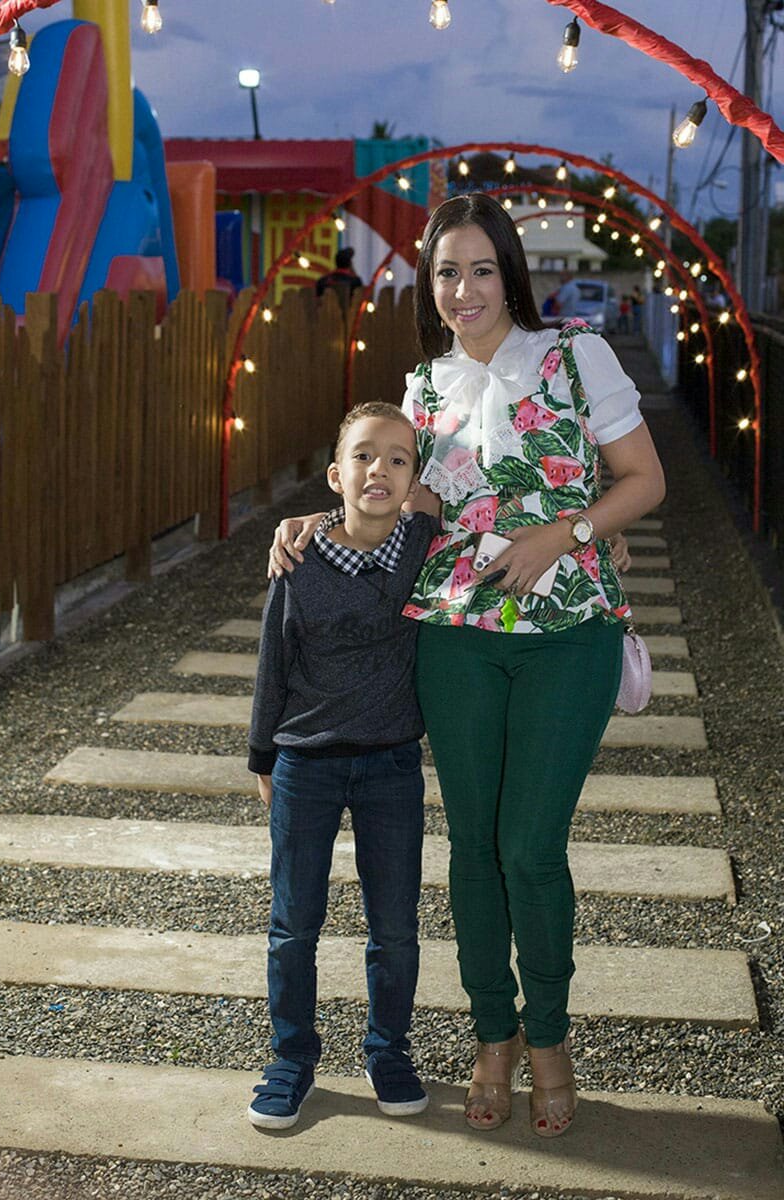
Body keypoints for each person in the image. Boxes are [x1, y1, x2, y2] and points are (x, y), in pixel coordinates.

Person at [269, 192, 665, 1139]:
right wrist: (317, 520)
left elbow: (645, 479)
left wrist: (565, 534)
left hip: (567, 629)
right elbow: (399, 500)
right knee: (472, 847)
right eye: (447, 272)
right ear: (431, 285)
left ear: (509, 274)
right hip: (454, 634)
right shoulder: (425, 388)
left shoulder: (575, 356)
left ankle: (549, 1038)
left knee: (529, 845)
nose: (464, 289)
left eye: (482, 269)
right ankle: (494, 1035)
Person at [247, 401, 439, 1131]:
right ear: (335, 474)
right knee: (294, 923)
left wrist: (604, 540)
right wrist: (263, 755)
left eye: (397, 459)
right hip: (307, 762)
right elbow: (274, 660)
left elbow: (494, 528)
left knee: (395, 926)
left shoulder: (426, 546)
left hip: (391, 764)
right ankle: (291, 1059)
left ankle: (388, 1051)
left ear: (415, 481)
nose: (378, 470)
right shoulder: (298, 559)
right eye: (362, 456)